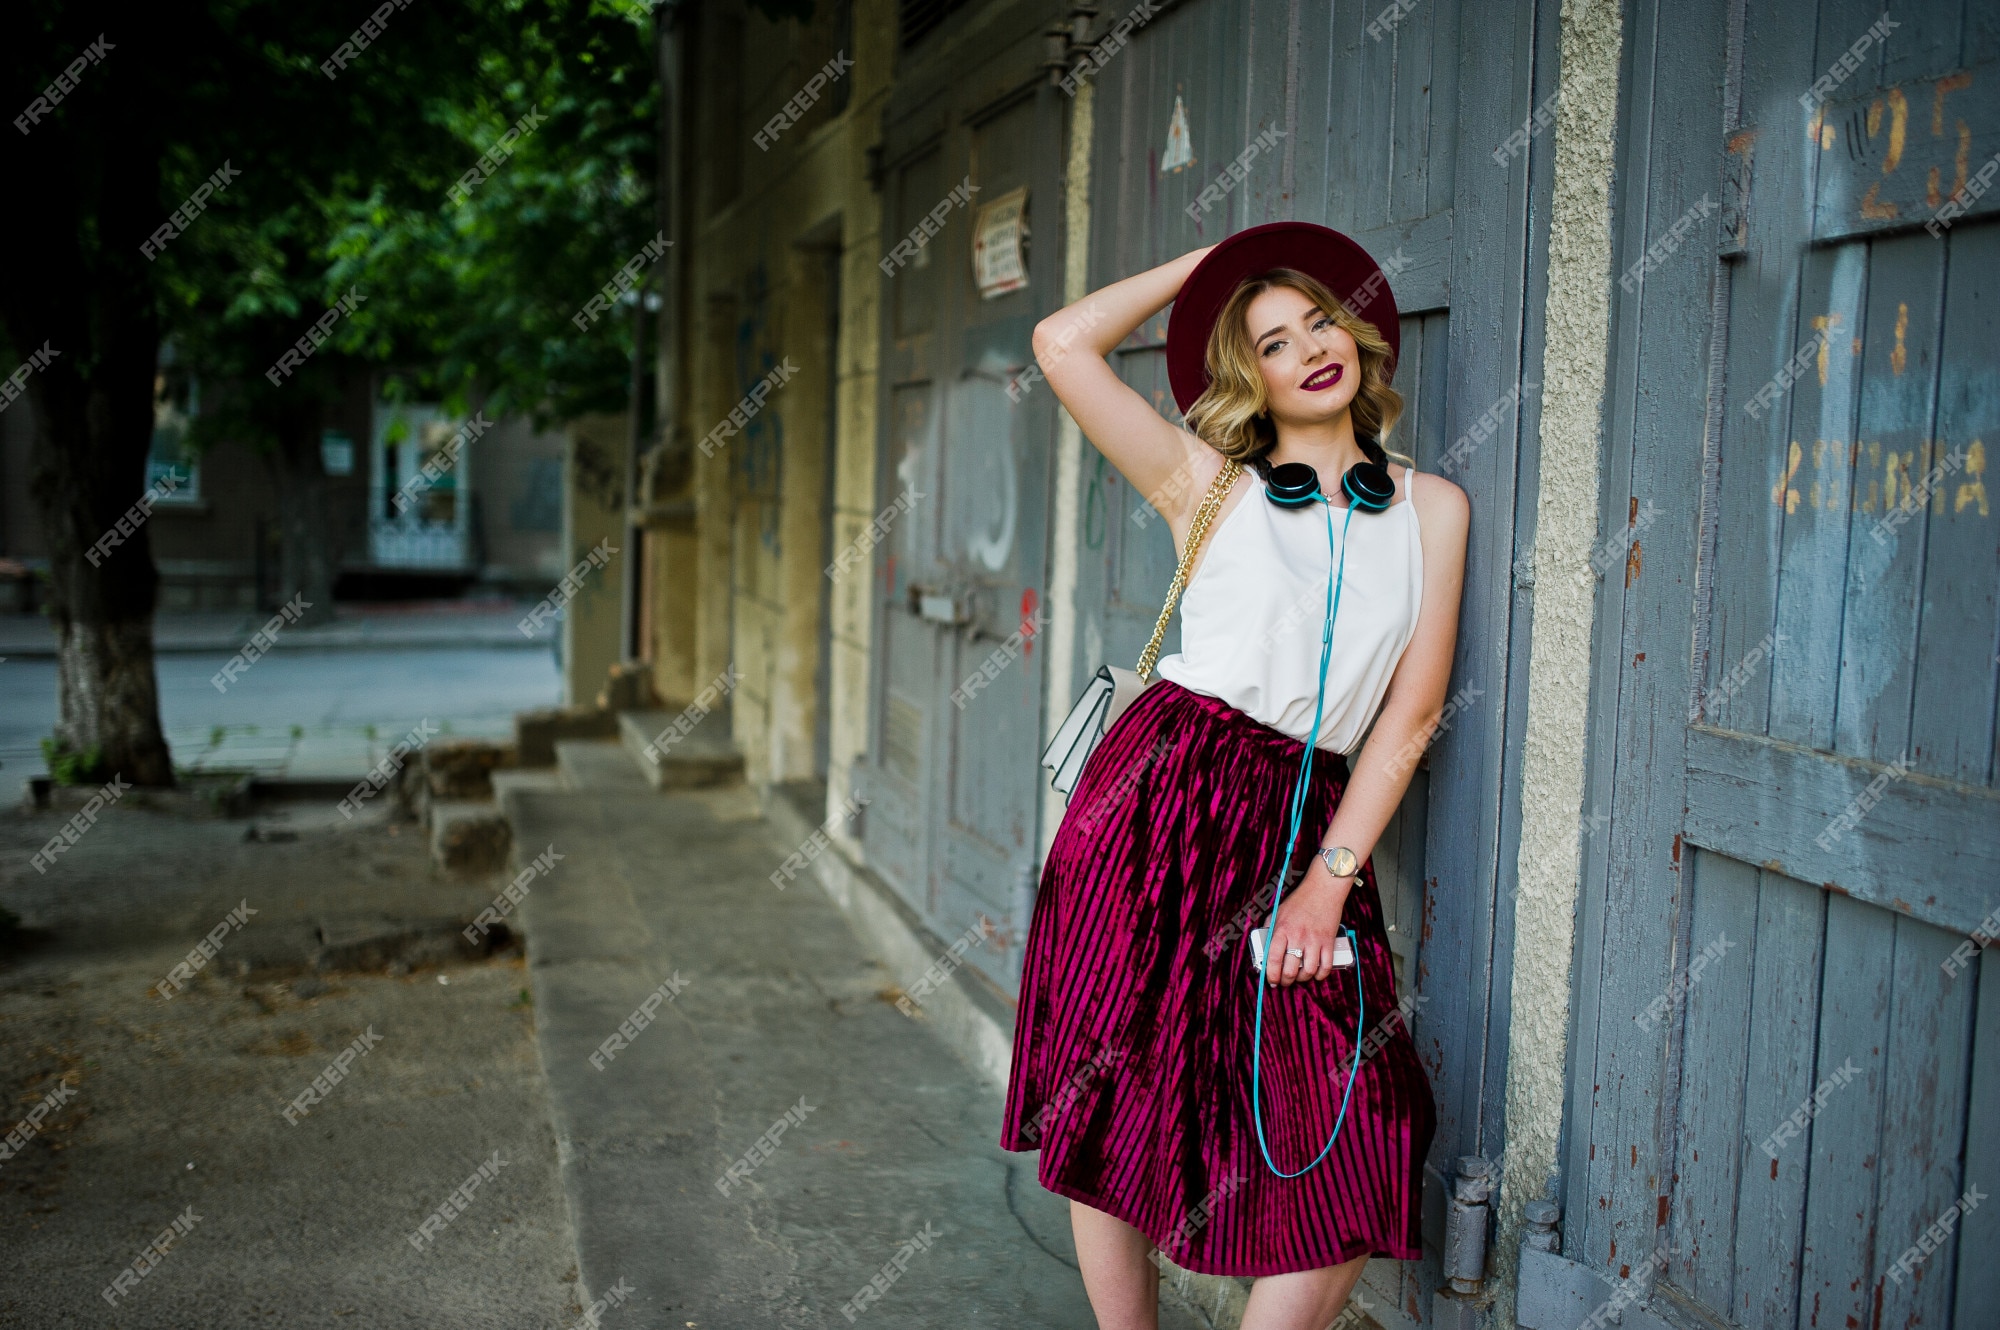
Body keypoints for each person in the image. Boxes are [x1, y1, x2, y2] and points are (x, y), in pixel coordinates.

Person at [1001, 223, 1469, 1330]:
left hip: (1305, 826)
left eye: (1317, 321)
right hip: (1155, 803)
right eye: (1269, 339)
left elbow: (1407, 714)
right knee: (1113, 1092)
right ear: (1241, 375)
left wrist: (1327, 876)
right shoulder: (1202, 483)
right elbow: (1061, 342)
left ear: (1353, 336)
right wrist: (1208, 264)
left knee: (1371, 1124)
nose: (1308, 348)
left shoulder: (1430, 509)